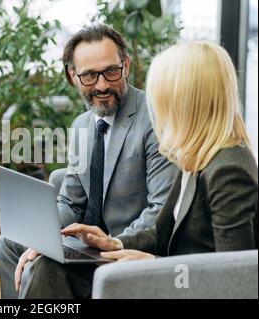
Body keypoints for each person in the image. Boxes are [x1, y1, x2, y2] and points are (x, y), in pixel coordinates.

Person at [0, 23, 177, 299]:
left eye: (111, 71)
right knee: (10, 242)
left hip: (127, 248)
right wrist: (42, 235)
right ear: (73, 77)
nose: (102, 85)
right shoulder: (81, 125)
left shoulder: (154, 118)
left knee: (43, 266)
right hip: (87, 248)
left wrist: (111, 242)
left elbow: (160, 211)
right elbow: (71, 201)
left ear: (125, 65)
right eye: (90, 75)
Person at [63, 41, 258, 266]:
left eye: (160, 99)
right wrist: (116, 243)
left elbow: (234, 277)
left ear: (184, 103)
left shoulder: (227, 169)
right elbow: (168, 229)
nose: (154, 109)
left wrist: (153, 265)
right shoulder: (196, 156)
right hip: (167, 275)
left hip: (173, 284)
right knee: (50, 267)